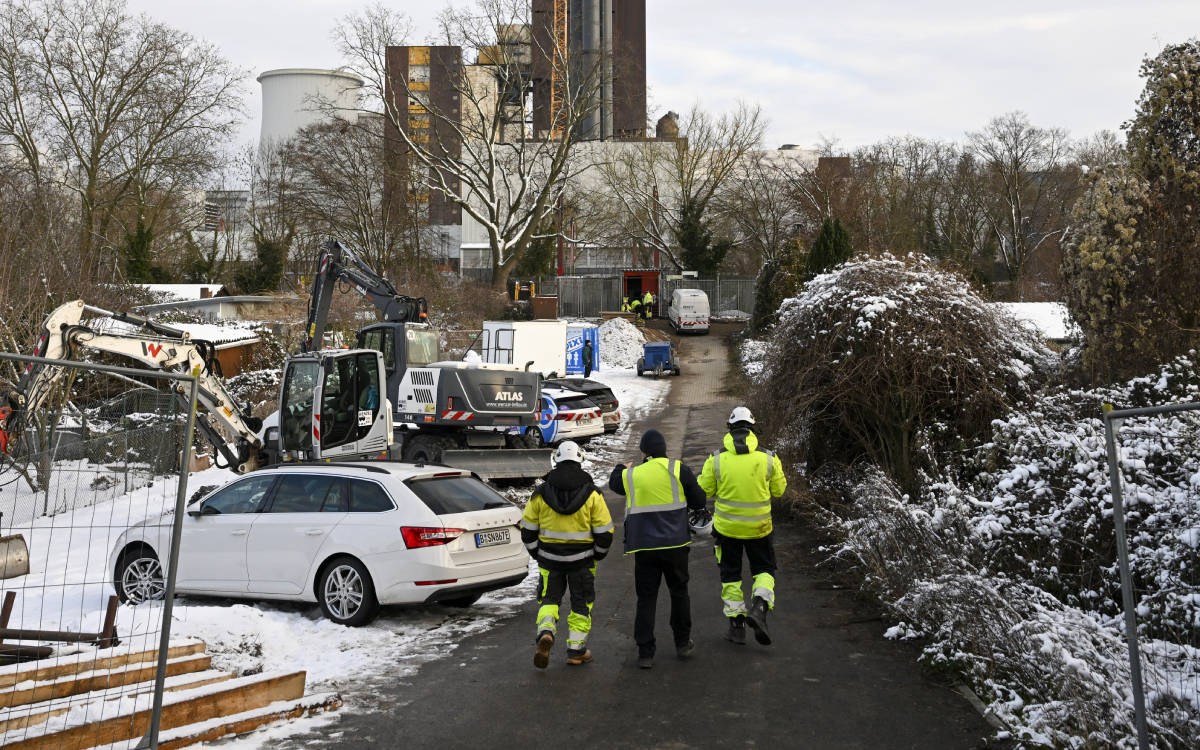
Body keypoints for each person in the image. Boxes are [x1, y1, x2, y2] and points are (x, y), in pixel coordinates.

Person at [609, 429, 708, 669]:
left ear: (644, 451)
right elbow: (699, 501)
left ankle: (645, 652)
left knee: (646, 598)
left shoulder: (633, 475)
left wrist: (621, 466)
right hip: (676, 546)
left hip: (645, 547)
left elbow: (614, 484)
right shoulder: (678, 469)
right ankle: (683, 643)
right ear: (664, 449)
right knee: (679, 593)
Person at [697, 407, 786, 647]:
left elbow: (703, 491)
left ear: (729, 428)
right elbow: (779, 491)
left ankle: (736, 627)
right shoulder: (769, 458)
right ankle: (759, 606)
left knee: (730, 576)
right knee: (764, 570)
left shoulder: (715, 459)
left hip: (727, 531)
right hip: (760, 529)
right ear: (752, 428)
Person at [521, 441, 613, 668]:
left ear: (557, 460)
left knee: (549, 599)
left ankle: (546, 632)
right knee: (581, 604)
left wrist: (537, 554)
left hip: (549, 561)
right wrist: (598, 554)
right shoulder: (592, 494)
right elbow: (605, 531)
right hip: (582, 561)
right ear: (580, 460)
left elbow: (527, 529)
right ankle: (576, 651)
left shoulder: (540, 493)